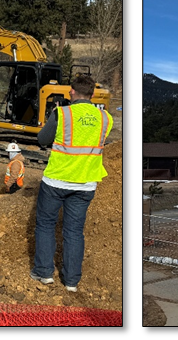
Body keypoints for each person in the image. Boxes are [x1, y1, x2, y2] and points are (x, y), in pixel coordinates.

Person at [31, 75, 113, 293]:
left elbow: (42, 139)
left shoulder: (62, 113)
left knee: (46, 225)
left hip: (56, 180)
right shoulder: (105, 118)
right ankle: (71, 281)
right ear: (92, 94)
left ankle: (44, 273)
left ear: (72, 92)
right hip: (85, 183)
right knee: (74, 231)